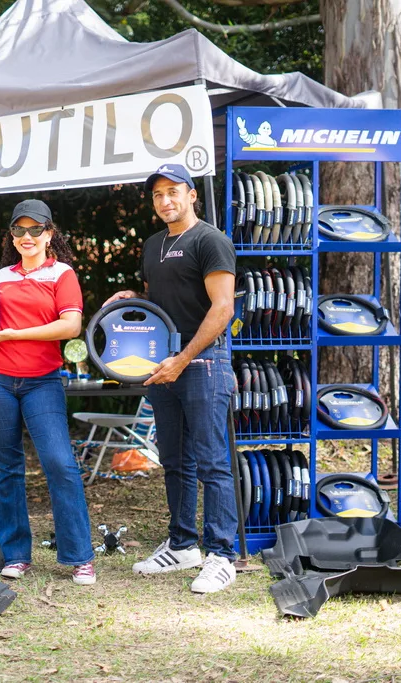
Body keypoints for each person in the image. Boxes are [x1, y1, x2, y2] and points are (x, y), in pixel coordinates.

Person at [104, 164, 238, 593]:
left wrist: (184, 358)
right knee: (176, 461)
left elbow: (222, 308)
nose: (165, 201)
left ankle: (222, 555)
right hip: (163, 367)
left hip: (203, 364)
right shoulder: (152, 245)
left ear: (191, 195)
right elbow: (164, 302)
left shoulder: (210, 241)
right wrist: (135, 298)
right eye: (158, 195)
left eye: (173, 192)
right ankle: (182, 546)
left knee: (213, 462)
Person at [0, 199, 96, 586]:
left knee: (60, 463)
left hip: (42, 380)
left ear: (49, 234)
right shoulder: (0, 276)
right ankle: (16, 555)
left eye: (35, 229)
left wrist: (16, 335)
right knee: (7, 469)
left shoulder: (62, 274)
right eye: (19, 230)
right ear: (12, 236)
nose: (27, 236)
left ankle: (79, 556)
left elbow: (70, 326)